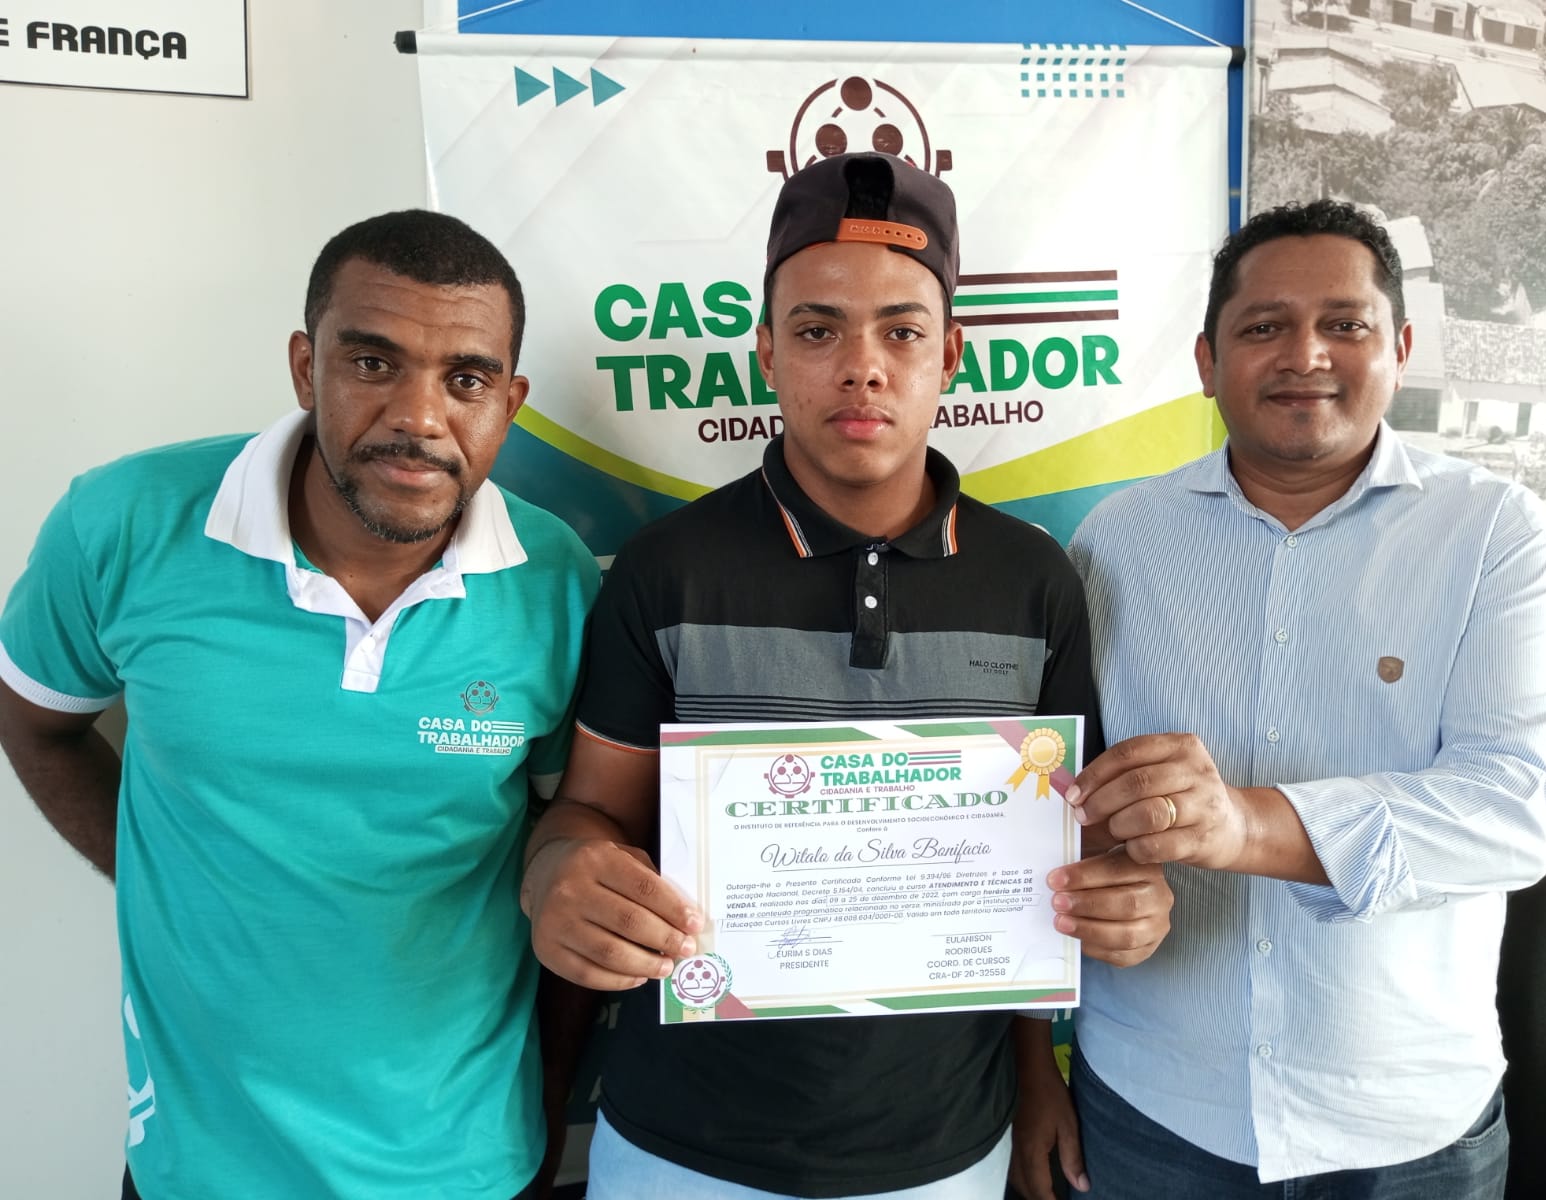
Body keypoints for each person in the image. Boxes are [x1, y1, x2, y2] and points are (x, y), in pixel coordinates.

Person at [519, 151, 1174, 1200]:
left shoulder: (1033, 581)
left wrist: (1045, 1057)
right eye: (818, 331)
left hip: (948, 1148)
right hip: (679, 1147)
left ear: (950, 354)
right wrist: (560, 872)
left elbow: (1039, 866)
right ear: (767, 353)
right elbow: (589, 814)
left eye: (901, 332)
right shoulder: (666, 570)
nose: (861, 368)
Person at [0, 210, 599, 1199]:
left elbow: (566, 835)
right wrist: (165, 879)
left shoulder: (556, 582)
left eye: (466, 379)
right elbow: (35, 720)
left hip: (469, 1165)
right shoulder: (124, 524)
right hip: (197, 1166)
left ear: (510, 401)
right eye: (372, 363)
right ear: (304, 367)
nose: (418, 416)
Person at [1063, 199, 1546, 1198]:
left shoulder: (1495, 534)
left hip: (1406, 1124)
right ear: (1207, 362)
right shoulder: (1116, 540)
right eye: (1263, 326)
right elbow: (1058, 791)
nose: (1305, 354)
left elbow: (1517, 805)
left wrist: (1245, 826)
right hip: (1152, 1103)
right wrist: (1097, 863)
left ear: (1399, 348)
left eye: (1344, 323)